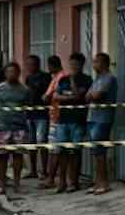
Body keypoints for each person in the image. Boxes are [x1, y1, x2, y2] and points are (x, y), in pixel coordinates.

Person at [45, 53, 92, 193]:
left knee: (75, 151)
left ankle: (73, 182)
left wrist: (72, 84)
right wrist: (69, 97)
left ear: (82, 65)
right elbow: (55, 96)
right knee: (61, 151)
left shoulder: (86, 79)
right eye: (71, 64)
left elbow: (78, 95)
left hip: (78, 120)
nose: (73, 67)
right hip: (62, 120)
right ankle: (62, 182)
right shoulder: (63, 79)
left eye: (76, 64)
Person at [0, 62, 32, 195]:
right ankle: (2, 184)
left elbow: (29, 105)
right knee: (2, 156)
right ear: (5, 73)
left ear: (18, 73)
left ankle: (17, 184)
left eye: (14, 72)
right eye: (9, 72)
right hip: (2, 127)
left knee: (18, 155)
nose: (11, 74)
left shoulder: (25, 90)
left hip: (19, 127)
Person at [86, 53, 118, 195]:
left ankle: (104, 183)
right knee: (95, 152)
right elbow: (87, 96)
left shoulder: (109, 78)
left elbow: (98, 95)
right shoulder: (97, 79)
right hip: (92, 117)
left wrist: (93, 95)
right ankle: (97, 182)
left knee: (100, 152)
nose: (94, 65)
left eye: (96, 62)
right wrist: (92, 95)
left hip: (103, 118)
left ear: (104, 63)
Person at [24, 55, 51, 181]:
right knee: (31, 142)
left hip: (42, 114)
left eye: (32, 64)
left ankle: (44, 171)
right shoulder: (28, 78)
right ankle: (33, 170)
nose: (29, 67)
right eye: (28, 64)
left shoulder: (45, 77)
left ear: (37, 64)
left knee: (42, 141)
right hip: (30, 114)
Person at [40, 55, 65, 190]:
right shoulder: (55, 78)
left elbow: (47, 96)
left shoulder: (60, 78)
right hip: (54, 116)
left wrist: (47, 97)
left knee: (55, 150)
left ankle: (52, 178)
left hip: (57, 117)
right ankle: (54, 178)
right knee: (54, 149)